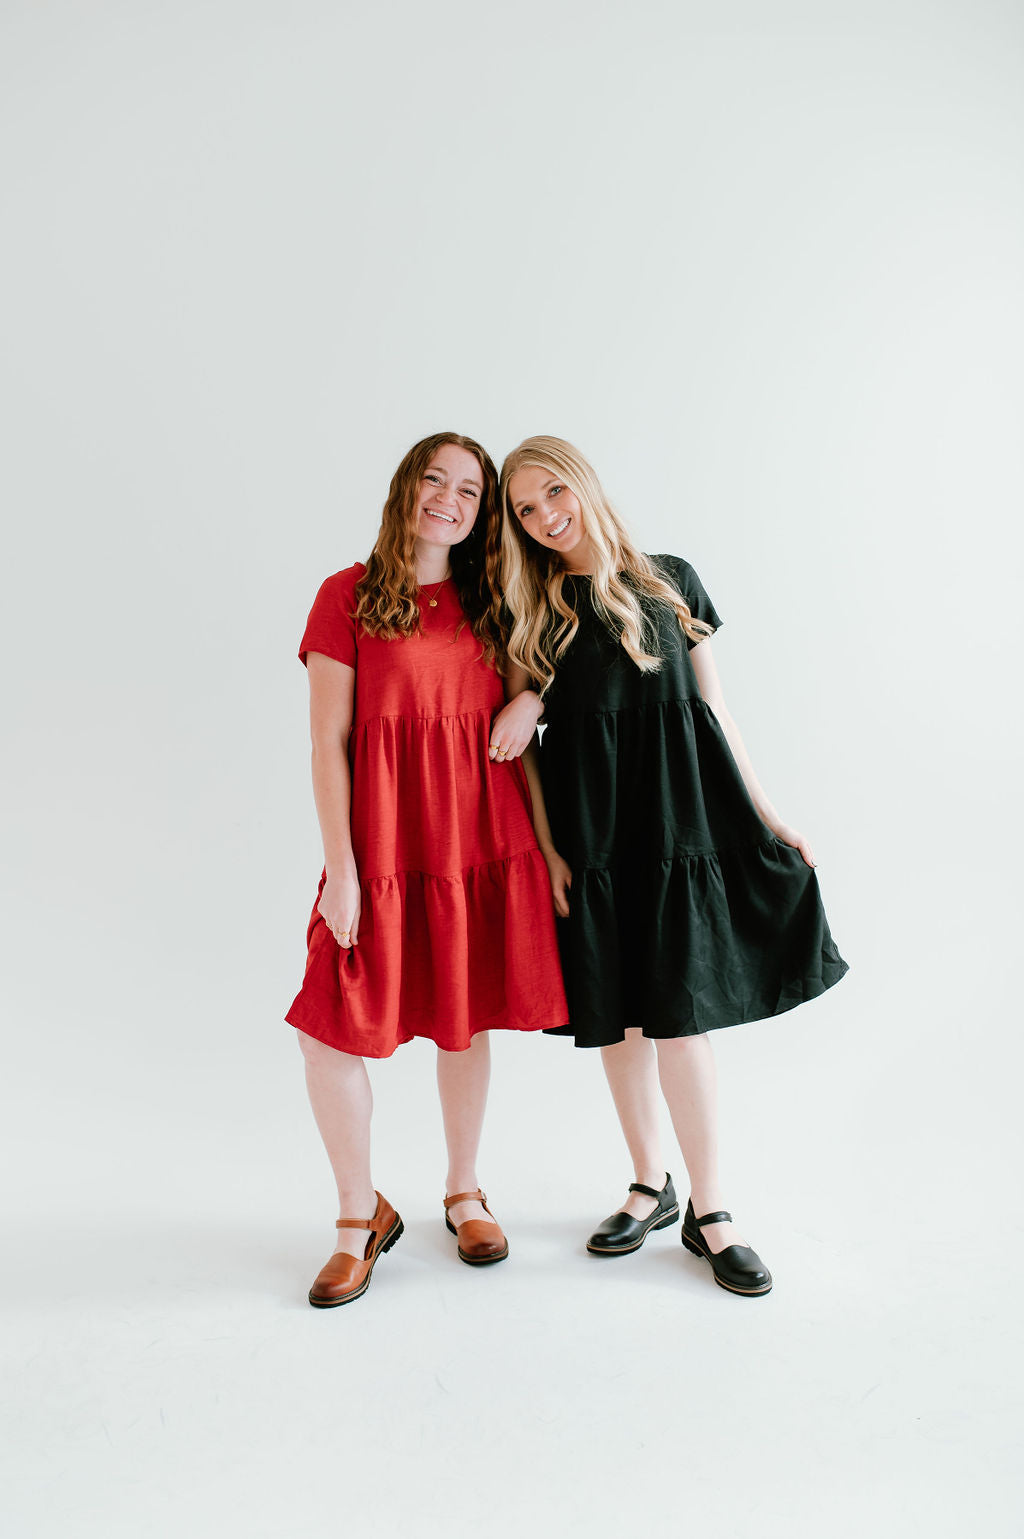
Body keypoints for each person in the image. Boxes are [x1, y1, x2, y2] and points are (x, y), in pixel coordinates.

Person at [489, 435, 848, 1297]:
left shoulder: (670, 578)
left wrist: (767, 813)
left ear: (582, 482)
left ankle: (712, 1209)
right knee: (618, 1018)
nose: (544, 517)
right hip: (593, 833)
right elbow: (526, 751)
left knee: (682, 1015)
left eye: (552, 493)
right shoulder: (531, 609)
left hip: (679, 819)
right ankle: (650, 1184)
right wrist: (550, 848)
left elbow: (714, 707)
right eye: (525, 509)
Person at [287, 432, 567, 1309]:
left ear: (482, 513)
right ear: (407, 488)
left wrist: (533, 698)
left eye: (469, 490)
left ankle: (464, 1190)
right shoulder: (346, 595)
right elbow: (328, 743)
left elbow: (543, 691)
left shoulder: (493, 598)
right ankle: (357, 1215)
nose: (449, 498)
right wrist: (342, 869)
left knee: (465, 1021)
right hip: (382, 846)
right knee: (327, 1030)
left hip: (477, 841)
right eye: (435, 479)